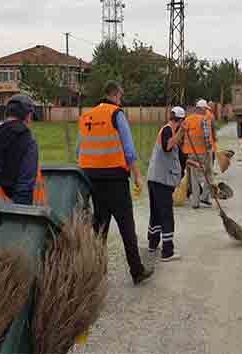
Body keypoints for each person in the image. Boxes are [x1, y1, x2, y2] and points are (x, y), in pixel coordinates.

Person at [77, 80, 153, 285]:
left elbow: (80, 149)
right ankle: (136, 271)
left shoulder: (86, 116)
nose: (121, 100)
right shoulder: (116, 114)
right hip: (115, 179)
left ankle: (95, 273)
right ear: (116, 95)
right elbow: (128, 148)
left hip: (91, 179)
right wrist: (137, 175)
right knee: (126, 225)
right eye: (120, 97)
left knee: (99, 227)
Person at [147, 107, 187, 261]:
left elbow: (177, 156)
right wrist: (181, 132)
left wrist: (193, 164)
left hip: (155, 179)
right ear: (181, 120)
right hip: (161, 180)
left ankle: (152, 243)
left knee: (156, 213)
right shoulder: (168, 130)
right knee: (166, 215)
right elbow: (167, 146)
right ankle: (167, 251)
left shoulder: (171, 131)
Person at [181, 100, 213, 209]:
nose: (206, 111)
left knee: (194, 177)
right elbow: (206, 137)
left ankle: (195, 202)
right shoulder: (203, 120)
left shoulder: (187, 119)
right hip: (202, 153)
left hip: (190, 153)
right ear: (202, 109)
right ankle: (204, 196)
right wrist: (209, 149)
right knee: (209, 173)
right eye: (205, 109)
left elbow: (182, 135)